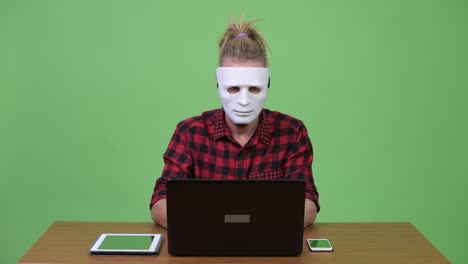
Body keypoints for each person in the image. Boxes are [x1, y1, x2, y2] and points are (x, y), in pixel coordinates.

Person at [150, 14, 320, 228]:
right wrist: (218, 226)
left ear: (267, 83)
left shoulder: (292, 132)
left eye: (254, 89)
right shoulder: (189, 133)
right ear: (218, 84)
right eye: (233, 88)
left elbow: (308, 203)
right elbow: (160, 202)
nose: (243, 100)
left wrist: (246, 226)